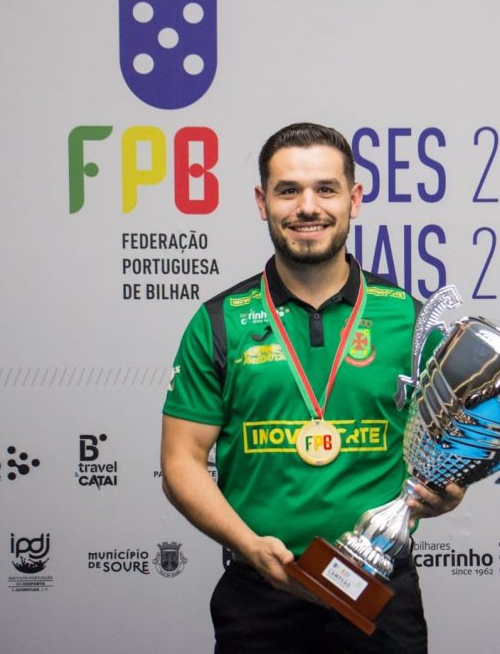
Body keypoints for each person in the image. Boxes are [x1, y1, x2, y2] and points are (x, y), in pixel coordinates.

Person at [160, 122, 465, 653]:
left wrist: (448, 490)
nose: (308, 207)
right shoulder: (219, 322)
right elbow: (181, 461)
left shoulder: (411, 322)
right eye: (288, 191)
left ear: (355, 198)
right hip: (259, 591)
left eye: (326, 189)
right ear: (262, 201)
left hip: (378, 590)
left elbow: (445, 452)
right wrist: (248, 545)